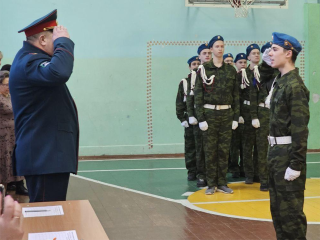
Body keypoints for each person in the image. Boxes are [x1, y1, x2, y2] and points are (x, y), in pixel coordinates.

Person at [9, 9, 79, 202]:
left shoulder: (30, 60)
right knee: (47, 218)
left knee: (49, 217)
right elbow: (59, 72)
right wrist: (64, 41)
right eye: (54, 39)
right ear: (42, 40)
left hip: (46, 156)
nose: (57, 45)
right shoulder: (29, 61)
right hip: (44, 156)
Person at [266, 32, 309, 240]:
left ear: (288, 53)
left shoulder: (294, 86)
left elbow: (300, 129)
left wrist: (296, 164)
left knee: (291, 216)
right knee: (279, 213)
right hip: (275, 154)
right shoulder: (279, 81)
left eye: (274, 49)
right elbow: (265, 69)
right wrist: (272, 56)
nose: (269, 53)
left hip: (287, 156)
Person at [194, 35, 239, 195]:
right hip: (209, 114)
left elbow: (236, 96)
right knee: (210, 150)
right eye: (217, 46)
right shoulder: (203, 70)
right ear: (211, 49)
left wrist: (235, 117)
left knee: (224, 150)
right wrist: (201, 118)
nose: (220, 49)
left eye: (222, 46)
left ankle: (222, 182)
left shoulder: (231, 70)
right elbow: (198, 96)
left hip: (226, 113)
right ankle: (211, 183)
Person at [187, 43, 212, 187]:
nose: (208, 55)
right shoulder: (195, 74)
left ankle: (214, 176)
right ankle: (201, 175)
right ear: (200, 55)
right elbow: (191, 97)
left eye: (209, 52)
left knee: (214, 148)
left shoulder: (218, 71)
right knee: (201, 148)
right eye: (205, 53)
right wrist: (191, 115)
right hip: (199, 117)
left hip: (215, 115)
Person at [0, 71, 28, 196]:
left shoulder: (10, 96)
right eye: (5, 84)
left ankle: (19, 186)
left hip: (14, 135)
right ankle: (3, 193)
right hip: (2, 137)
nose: (8, 87)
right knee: (4, 165)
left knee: (16, 161)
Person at [176, 56, 200, 181]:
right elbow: (179, 101)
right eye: (193, 64)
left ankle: (202, 171)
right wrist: (182, 119)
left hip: (202, 118)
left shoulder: (204, 80)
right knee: (190, 146)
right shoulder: (184, 82)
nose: (196, 66)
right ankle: (191, 171)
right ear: (189, 67)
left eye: (198, 63)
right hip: (189, 119)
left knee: (202, 147)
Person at [241, 44, 261, 185]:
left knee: (260, 145)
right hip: (247, 112)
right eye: (253, 53)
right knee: (248, 145)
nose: (256, 55)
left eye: (258, 53)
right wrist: (239, 115)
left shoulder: (265, 73)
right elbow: (238, 95)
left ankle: (258, 173)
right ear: (248, 57)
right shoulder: (243, 74)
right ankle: (248, 173)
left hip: (261, 111)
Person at [228, 53, 247, 178]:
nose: (243, 64)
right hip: (234, 114)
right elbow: (234, 98)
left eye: (245, 62)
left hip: (247, 115)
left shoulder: (250, 76)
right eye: (240, 62)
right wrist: (236, 115)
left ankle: (244, 167)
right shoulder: (233, 77)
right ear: (236, 64)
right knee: (233, 144)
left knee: (245, 144)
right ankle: (234, 167)